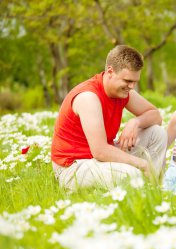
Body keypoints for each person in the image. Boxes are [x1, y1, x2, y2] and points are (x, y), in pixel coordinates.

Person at [51, 45, 167, 192]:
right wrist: (141, 164)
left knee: (157, 133)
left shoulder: (122, 91)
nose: (131, 86)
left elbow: (156, 116)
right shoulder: (89, 97)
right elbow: (100, 151)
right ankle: (143, 184)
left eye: (135, 81)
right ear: (110, 72)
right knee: (131, 175)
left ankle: (154, 189)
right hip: (73, 166)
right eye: (127, 80)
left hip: (100, 158)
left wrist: (135, 122)